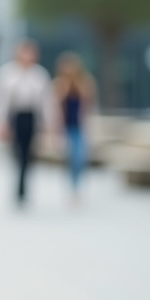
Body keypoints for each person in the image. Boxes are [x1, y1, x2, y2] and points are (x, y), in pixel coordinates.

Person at [0, 39, 56, 205]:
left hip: (31, 118)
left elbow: (46, 102)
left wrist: (49, 124)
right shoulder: (7, 73)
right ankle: (19, 189)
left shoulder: (40, 75)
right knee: (17, 153)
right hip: (15, 118)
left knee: (28, 154)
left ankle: (24, 188)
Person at [52, 51, 97, 201]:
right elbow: (55, 106)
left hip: (79, 126)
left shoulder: (84, 82)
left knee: (79, 158)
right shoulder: (59, 84)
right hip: (66, 127)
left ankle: (76, 187)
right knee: (70, 158)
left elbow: (90, 104)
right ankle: (71, 187)